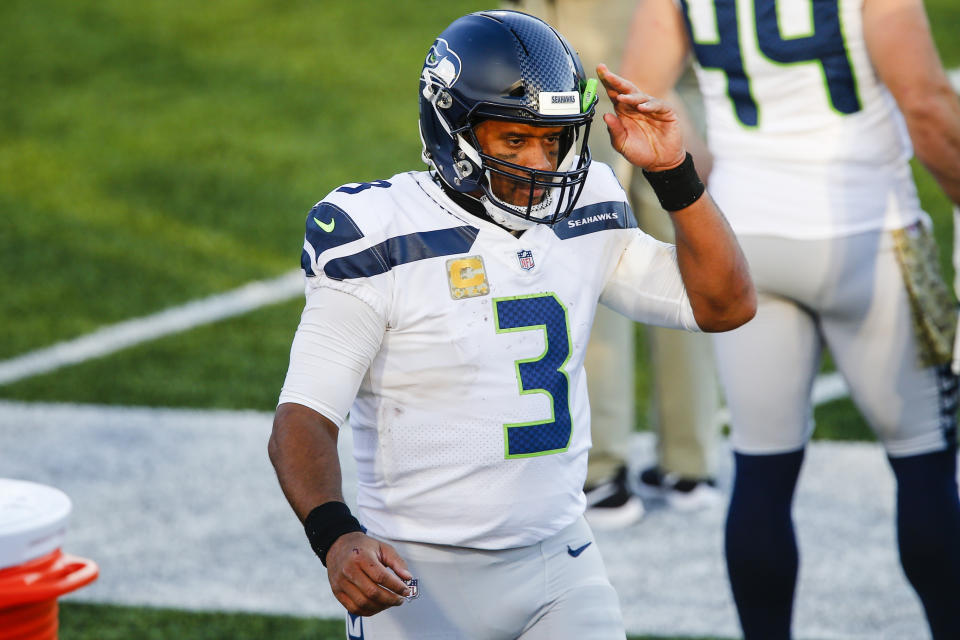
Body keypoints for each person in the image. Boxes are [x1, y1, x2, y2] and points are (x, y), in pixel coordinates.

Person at [268, 10, 755, 638]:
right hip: (417, 580)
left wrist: (673, 173)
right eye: (515, 140)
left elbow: (726, 305)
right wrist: (335, 535)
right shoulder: (379, 233)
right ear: (452, 130)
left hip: (561, 564)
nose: (541, 162)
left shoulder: (585, 209)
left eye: (552, 140)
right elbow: (302, 418)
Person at [621, 0, 960, 637]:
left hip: (750, 238)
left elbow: (639, 88)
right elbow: (927, 106)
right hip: (868, 231)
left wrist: (713, 180)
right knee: (925, 464)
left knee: (762, 467)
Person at [501, 0, 722, 526]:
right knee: (683, 266)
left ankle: (601, 471)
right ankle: (690, 463)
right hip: (674, 74)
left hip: (583, 72)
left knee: (592, 264)